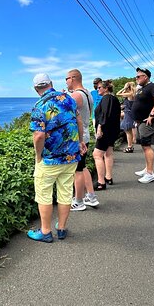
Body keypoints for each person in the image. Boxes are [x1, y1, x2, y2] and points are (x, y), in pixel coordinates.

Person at [28, 73, 87, 242]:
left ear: (35, 89)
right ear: (51, 83)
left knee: (44, 194)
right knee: (65, 192)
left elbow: (39, 136)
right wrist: (81, 142)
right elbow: (79, 121)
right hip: (70, 157)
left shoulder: (39, 106)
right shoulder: (68, 99)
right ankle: (61, 228)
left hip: (49, 159)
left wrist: (38, 155)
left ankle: (45, 232)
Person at [65, 69, 99, 211]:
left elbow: (64, 112)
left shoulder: (76, 95)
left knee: (77, 170)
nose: (66, 81)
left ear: (72, 78)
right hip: (85, 134)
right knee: (83, 166)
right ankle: (91, 196)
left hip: (78, 137)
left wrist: (65, 96)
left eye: (66, 79)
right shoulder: (87, 93)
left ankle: (78, 201)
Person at [131, 67, 154, 183]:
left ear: (145, 77)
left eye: (138, 76)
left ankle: (150, 173)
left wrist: (151, 114)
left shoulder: (152, 87)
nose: (136, 78)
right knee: (143, 146)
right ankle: (147, 169)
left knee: (146, 146)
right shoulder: (142, 88)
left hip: (148, 122)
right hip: (140, 122)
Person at [93, 80, 121, 189]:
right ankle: (108, 177)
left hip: (106, 131)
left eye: (99, 87)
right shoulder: (114, 99)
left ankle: (101, 182)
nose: (97, 89)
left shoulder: (106, 98)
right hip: (113, 131)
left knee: (97, 155)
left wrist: (100, 128)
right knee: (108, 153)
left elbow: (105, 114)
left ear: (106, 88)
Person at [116, 81, 137, 153]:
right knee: (129, 131)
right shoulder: (133, 94)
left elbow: (117, 94)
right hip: (129, 113)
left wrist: (123, 88)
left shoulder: (130, 94)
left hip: (128, 113)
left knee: (128, 131)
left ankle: (129, 146)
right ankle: (130, 145)